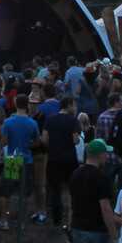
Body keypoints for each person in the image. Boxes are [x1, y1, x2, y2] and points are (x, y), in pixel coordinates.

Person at [41, 96, 81, 228]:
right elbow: (75, 140)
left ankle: (56, 219)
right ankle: (71, 218)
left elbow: (44, 139)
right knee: (72, 189)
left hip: (53, 158)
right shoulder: (73, 120)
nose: (75, 108)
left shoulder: (50, 119)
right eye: (74, 105)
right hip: (70, 159)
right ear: (68, 105)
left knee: (55, 189)